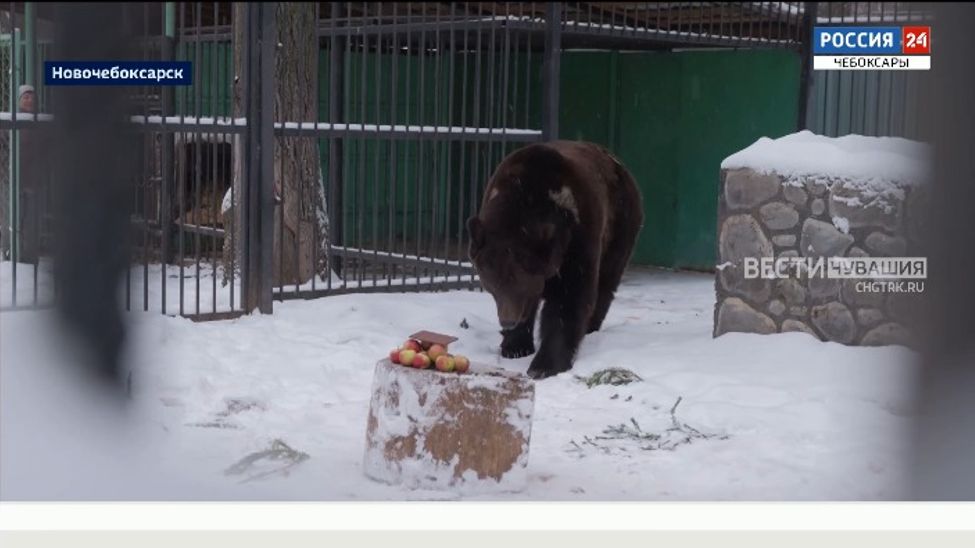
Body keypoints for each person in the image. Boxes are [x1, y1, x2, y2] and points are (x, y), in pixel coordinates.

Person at [16, 84, 45, 264]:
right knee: (12, 219)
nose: (29, 100)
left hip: (34, 179)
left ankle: (29, 257)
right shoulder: (12, 120)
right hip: (13, 180)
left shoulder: (40, 122)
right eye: (25, 97)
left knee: (32, 221)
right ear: (19, 100)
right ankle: (10, 252)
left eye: (32, 96)